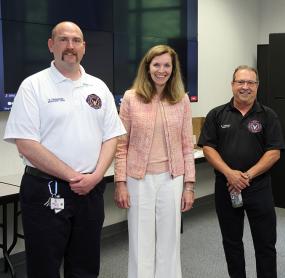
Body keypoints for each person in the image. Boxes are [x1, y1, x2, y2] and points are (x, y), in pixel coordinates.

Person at [3, 21, 126, 278]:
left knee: (85, 265)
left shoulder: (98, 87)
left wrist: (95, 176)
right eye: (63, 39)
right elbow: (26, 143)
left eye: (76, 40)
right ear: (51, 45)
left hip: (90, 191)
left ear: (84, 47)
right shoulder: (33, 86)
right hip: (47, 190)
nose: (70, 46)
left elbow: (112, 137)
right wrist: (73, 176)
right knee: (44, 266)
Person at [114, 44, 195, 278]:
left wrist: (189, 186)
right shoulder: (131, 98)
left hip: (172, 178)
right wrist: (120, 182)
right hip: (138, 179)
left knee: (170, 241)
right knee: (141, 241)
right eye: (157, 64)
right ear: (147, 68)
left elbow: (186, 147)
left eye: (167, 65)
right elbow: (121, 145)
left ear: (173, 69)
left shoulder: (181, 100)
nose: (162, 70)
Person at [197, 65, 285, 278]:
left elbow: (274, 152)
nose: (245, 87)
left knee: (265, 244)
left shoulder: (268, 115)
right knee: (232, 242)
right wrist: (230, 173)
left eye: (250, 83)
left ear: (257, 86)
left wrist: (247, 176)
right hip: (226, 188)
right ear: (232, 85)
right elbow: (208, 148)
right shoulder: (216, 114)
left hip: (259, 188)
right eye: (240, 82)